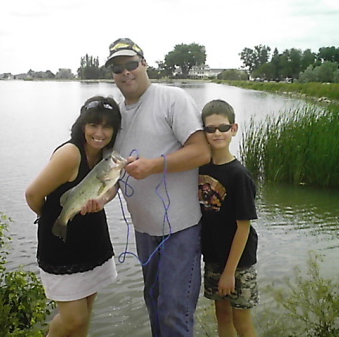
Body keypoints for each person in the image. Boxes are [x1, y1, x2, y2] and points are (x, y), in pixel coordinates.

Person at [104, 37, 211, 337]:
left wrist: (154, 164)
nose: (125, 73)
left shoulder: (172, 99)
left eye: (131, 64)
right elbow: (111, 179)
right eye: (117, 67)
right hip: (144, 232)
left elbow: (201, 152)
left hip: (181, 229)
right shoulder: (114, 117)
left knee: (174, 313)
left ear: (144, 64)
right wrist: (99, 199)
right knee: (153, 304)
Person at [25, 96, 121, 337]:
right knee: (73, 319)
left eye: (107, 126)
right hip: (61, 246)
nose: (99, 133)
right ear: (82, 125)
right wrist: (48, 219)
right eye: (93, 125)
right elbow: (33, 195)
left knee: (84, 316)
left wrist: (103, 199)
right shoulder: (70, 154)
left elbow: (112, 187)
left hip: (93, 242)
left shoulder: (106, 156)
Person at [198, 99, 259, 337]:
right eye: (210, 129)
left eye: (223, 128)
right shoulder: (201, 168)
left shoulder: (239, 175)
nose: (217, 133)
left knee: (241, 321)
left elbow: (243, 227)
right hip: (213, 258)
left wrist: (229, 272)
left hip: (238, 263)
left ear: (233, 129)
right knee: (222, 316)